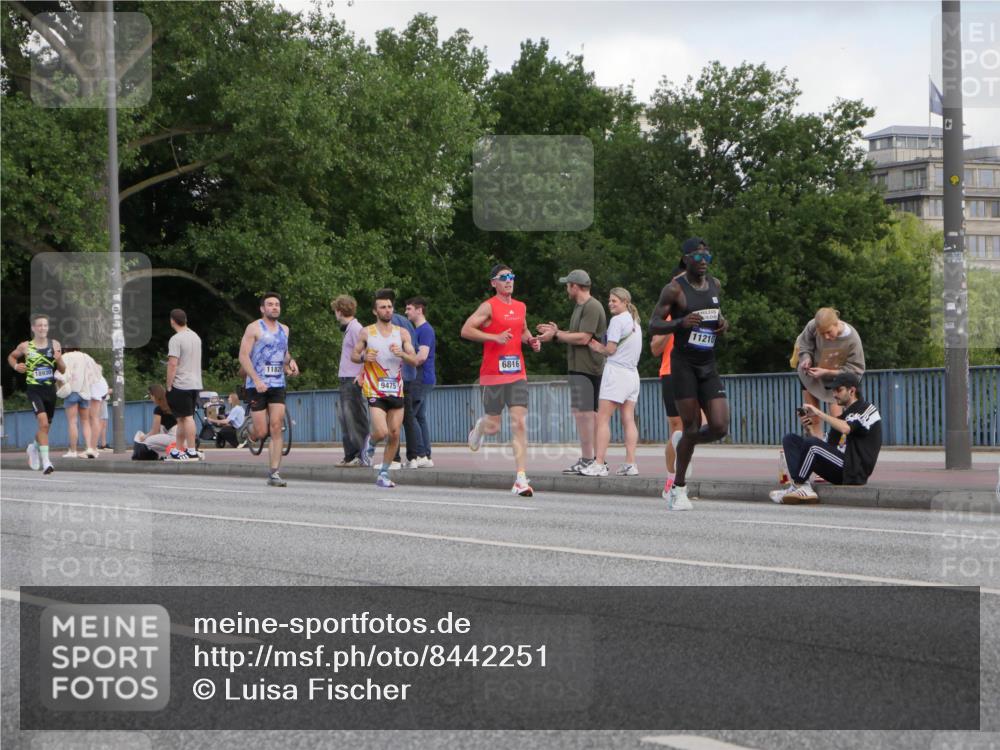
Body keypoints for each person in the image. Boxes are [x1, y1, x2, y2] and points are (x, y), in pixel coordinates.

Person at [647, 238, 730, 511]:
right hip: (682, 366)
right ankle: (678, 489)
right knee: (692, 425)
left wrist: (722, 324)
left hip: (707, 364)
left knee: (719, 426)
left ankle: (685, 440)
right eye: (697, 257)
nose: (703, 261)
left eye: (707, 256)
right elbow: (653, 325)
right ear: (686, 259)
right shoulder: (674, 289)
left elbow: (716, 316)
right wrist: (681, 322)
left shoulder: (715, 285)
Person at [461, 264, 542, 497]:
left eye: (512, 277)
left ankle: (520, 478)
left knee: (519, 423)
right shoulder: (488, 306)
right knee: (494, 426)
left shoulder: (520, 307)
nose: (509, 281)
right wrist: (493, 337)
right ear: (493, 282)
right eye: (503, 277)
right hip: (493, 374)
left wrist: (531, 341)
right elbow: (466, 330)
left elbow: (524, 331)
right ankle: (480, 427)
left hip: (517, 373)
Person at [536, 269, 607, 475]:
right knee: (584, 414)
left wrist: (557, 335)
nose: (566, 288)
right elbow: (576, 334)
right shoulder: (580, 307)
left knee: (585, 415)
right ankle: (594, 459)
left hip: (587, 368)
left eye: (568, 285)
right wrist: (555, 332)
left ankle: (589, 459)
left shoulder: (592, 306)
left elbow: (584, 338)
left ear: (575, 286)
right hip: (579, 367)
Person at [771, 371, 882, 504]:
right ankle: (802, 486)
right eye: (833, 391)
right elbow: (827, 447)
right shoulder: (844, 417)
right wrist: (809, 429)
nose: (834, 395)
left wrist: (818, 412)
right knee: (790, 440)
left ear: (852, 390)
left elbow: (846, 428)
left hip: (853, 471)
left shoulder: (868, 410)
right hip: (839, 466)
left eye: (838, 390)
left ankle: (799, 485)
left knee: (812, 445)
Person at [351, 291, 421, 489]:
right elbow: (353, 356)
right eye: (383, 307)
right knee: (381, 431)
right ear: (375, 311)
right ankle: (370, 444)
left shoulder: (402, 333)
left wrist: (402, 354)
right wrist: (364, 358)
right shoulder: (367, 332)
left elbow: (414, 359)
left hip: (396, 389)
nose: (387, 310)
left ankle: (383, 473)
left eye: (389, 306)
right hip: (375, 389)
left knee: (395, 434)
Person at [239, 292, 300, 487]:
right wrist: (256, 379)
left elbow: (283, 353)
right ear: (262, 309)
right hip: (257, 385)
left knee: (276, 426)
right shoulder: (254, 328)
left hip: (277, 384)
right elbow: (243, 356)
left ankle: (274, 472)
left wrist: (291, 363)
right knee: (262, 430)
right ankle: (250, 432)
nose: (274, 307)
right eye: (270, 304)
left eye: (277, 304)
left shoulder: (285, 329)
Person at [581, 288, 642, 477]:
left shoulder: (617, 321)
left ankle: (599, 463)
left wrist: (598, 347)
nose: (610, 304)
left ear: (625, 302)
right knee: (628, 419)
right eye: (609, 301)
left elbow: (611, 349)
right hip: (633, 375)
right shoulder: (635, 323)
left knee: (603, 419)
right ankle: (630, 463)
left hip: (616, 372)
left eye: (614, 301)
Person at [795, 307, 866, 439]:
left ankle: (836, 449)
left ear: (836, 323)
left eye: (828, 332)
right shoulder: (812, 325)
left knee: (836, 418)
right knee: (813, 415)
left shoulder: (853, 339)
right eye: (822, 334)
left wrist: (827, 372)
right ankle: (816, 446)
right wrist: (806, 358)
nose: (826, 337)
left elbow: (856, 369)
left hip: (835, 378)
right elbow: (804, 344)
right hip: (811, 375)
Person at [8, 314, 66, 474]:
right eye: (39, 325)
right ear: (33, 328)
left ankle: (33, 447)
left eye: (45, 326)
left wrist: (59, 359)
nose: (42, 328)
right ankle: (46, 462)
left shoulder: (55, 344)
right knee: (43, 423)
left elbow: (62, 369)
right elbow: (11, 357)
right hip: (34, 390)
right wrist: (15, 366)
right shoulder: (25, 346)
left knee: (44, 428)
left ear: (48, 328)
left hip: (50, 390)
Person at [651, 258, 689, 493]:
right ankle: (671, 480)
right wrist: (674, 324)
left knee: (700, 425)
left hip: (695, 372)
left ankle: (681, 472)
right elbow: (655, 349)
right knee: (676, 428)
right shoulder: (665, 313)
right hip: (671, 373)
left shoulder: (699, 309)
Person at [333, 295, 370, 467]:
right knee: (345, 417)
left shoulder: (356, 329)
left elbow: (367, 353)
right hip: (346, 378)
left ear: (339, 311)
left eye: (335, 311)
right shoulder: (351, 329)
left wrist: (361, 373)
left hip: (352, 379)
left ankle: (359, 454)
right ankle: (350, 454)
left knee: (354, 417)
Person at [166, 309, 203, 462]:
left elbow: (173, 364)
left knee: (186, 418)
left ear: (172, 320)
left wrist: (169, 384)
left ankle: (192, 450)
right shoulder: (195, 337)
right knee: (182, 418)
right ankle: (178, 449)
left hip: (181, 383)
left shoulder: (176, 339)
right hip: (195, 383)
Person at [405, 296, 436, 468]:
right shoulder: (418, 330)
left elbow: (422, 356)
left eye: (409, 309)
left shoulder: (425, 330)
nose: (406, 312)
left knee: (411, 415)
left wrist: (406, 362)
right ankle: (427, 456)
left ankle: (421, 454)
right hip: (423, 378)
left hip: (420, 379)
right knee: (419, 416)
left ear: (419, 310)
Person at [57, 348, 102, 458]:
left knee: (72, 422)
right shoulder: (86, 357)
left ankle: (73, 451)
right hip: (85, 393)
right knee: (85, 421)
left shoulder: (65, 356)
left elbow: (61, 374)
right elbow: (97, 371)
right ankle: (89, 448)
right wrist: (88, 383)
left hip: (71, 391)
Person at [136, 383, 178, 458]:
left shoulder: (158, 409)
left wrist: (143, 437)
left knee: (147, 442)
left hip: (174, 438)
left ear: (154, 395)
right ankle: (173, 451)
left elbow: (155, 431)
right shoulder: (172, 404)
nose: (150, 399)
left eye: (150, 396)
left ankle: (170, 451)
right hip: (184, 438)